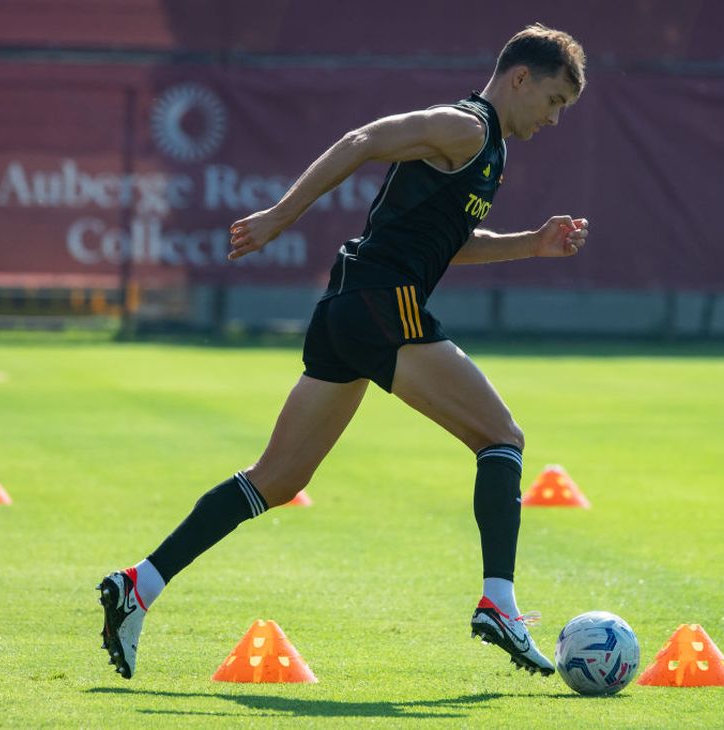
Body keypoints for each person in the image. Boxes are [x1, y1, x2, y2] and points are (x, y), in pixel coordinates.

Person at [98, 23, 588, 680]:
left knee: (275, 480)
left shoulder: (489, 149)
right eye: (554, 100)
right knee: (501, 438)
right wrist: (280, 215)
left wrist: (531, 242)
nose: (554, 118)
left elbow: (449, 242)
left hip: (348, 307)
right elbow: (362, 141)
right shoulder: (466, 126)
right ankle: (499, 602)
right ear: (521, 78)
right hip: (380, 303)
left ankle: (140, 585)